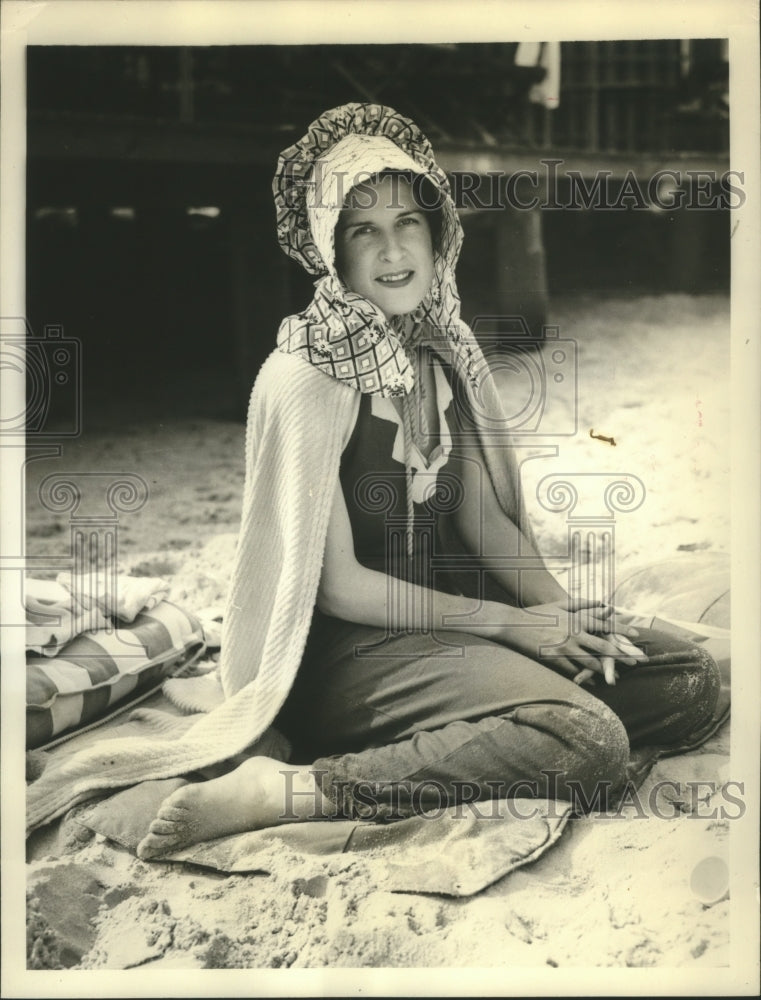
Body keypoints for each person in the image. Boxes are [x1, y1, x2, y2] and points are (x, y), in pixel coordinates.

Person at [137, 103, 720, 858]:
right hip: (346, 655)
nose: (392, 250)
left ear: (438, 231)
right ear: (330, 250)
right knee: (585, 741)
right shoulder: (301, 376)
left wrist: (558, 612)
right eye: (363, 230)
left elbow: (479, 517)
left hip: (452, 620)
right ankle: (287, 790)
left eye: (407, 222)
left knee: (683, 678)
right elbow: (339, 587)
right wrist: (511, 627)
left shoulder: (443, 348)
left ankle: (493, 724)